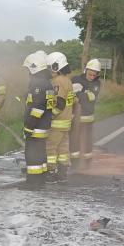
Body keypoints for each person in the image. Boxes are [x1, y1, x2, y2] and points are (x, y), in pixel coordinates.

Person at [21, 50, 53, 188]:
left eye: (28, 69)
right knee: (40, 153)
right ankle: (40, 180)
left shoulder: (38, 84)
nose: (27, 72)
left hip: (36, 127)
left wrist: (28, 127)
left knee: (32, 154)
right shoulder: (46, 83)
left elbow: (37, 109)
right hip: (44, 126)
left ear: (34, 68)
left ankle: (32, 183)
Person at [45, 51, 74, 182]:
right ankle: (62, 172)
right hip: (66, 123)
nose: (49, 72)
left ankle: (51, 171)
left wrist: (50, 116)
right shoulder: (67, 80)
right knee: (63, 149)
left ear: (56, 67)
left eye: (50, 68)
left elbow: (60, 103)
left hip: (57, 123)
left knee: (51, 147)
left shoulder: (57, 81)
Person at [70, 58, 102, 167]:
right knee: (74, 140)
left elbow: (92, 97)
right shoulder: (75, 79)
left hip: (88, 117)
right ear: (85, 70)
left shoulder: (97, 83)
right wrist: (82, 93)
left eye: (94, 75)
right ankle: (75, 162)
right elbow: (70, 95)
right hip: (75, 117)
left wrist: (79, 93)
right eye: (90, 74)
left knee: (87, 140)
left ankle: (87, 162)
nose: (92, 77)